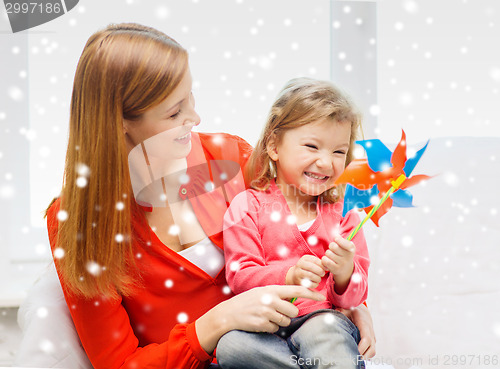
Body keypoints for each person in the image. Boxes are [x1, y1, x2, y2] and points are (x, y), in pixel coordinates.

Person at [16, 23, 376, 369]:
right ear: (120, 121)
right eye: (175, 112)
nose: (195, 117)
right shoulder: (76, 223)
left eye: (190, 98)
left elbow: (307, 230)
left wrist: (344, 304)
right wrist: (215, 323)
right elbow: (122, 364)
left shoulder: (231, 158)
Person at [217, 78, 369, 369]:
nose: (326, 162)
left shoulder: (345, 214)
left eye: (339, 151)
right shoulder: (247, 206)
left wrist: (345, 271)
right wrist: (289, 274)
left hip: (320, 319)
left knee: (324, 332)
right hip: (263, 324)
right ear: (274, 145)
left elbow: (355, 296)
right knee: (231, 345)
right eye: (312, 146)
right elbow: (239, 277)